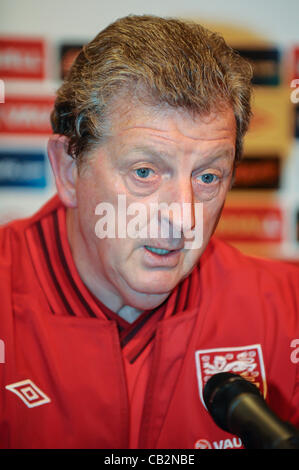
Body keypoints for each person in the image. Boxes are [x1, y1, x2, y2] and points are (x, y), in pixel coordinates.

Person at [0, 14, 298, 450]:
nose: (183, 217)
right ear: (68, 170)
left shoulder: (287, 309)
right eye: (145, 171)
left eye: (208, 177)